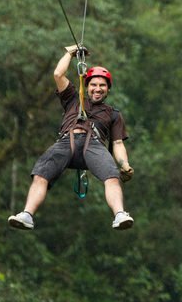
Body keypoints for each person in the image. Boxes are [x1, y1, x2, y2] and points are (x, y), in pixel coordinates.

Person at [8, 44, 134, 230]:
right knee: (41, 174)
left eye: (102, 86)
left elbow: (117, 143)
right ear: (87, 86)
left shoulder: (113, 114)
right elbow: (58, 74)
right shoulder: (73, 99)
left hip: (94, 145)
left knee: (112, 177)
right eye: (93, 85)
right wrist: (70, 53)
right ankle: (27, 214)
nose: (97, 89)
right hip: (67, 141)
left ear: (108, 89)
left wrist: (124, 164)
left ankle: (120, 214)